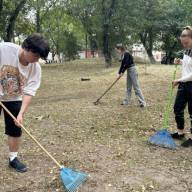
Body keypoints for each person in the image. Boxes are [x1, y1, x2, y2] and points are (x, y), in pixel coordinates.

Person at [0, 33, 49, 172]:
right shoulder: (4, 49)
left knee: (15, 130)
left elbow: (29, 92)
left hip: (15, 98)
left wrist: (21, 113)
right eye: (36, 56)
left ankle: (13, 159)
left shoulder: (35, 68)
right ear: (26, 48)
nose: (37, 60)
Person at [171, 26, 192, 147]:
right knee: (177, 108)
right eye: (182, 38)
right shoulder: (187, 50)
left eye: (186, 39)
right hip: (183, 84)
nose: (183, 41)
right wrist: (181, 62)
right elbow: (188, 66)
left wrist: (179, 80)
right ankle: (180, 133)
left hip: (190, 84)